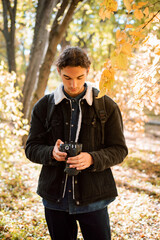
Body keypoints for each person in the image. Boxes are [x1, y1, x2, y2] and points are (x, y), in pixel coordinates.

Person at [25, 46, 128, 240]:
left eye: (80, 78)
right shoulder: (44, 106)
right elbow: (31, 148)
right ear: (58, 72)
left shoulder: (107, 105)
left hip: (94, 198)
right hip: (55, 198)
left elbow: (120, 150)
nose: (73, 84)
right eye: (67, 78)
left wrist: (92, 158)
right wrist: (51, 153)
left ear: (88, 72)